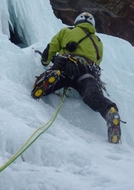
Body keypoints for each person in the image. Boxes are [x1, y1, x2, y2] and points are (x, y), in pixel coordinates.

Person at [31, 12, 121, 143]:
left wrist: (45, 62)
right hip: (86, 71)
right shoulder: (98, 42)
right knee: (91, 94)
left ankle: (52, 79)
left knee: (60, 78)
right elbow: (98, 61)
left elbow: (51, 48)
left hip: (65, 64)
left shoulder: (66, 31)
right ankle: (109, 111)